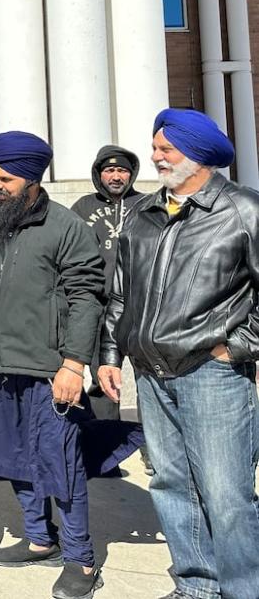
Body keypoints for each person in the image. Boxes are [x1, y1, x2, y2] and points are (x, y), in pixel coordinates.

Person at [98, 109, 259, 599]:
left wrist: (235, 347)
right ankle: (196, 584)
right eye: (156, 147)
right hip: (150, 374)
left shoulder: (244, 211)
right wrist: (110, 353)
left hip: (213, 375)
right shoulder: (143, 215)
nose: (155, 156)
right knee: (170, 484)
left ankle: (242, 589)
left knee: (226, 495)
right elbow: (120, 293)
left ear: (201, 155)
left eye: (166, 149)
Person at [0, 132, 107, 599]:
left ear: (31, 179)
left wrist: (74, 364)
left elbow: (88, 297)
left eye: (4, 177)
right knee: (11, 459)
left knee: (60, 466)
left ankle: (81, 560)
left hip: (50, 372)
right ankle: (38, 539)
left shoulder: (67, 227)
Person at [69, 146, 139, 425]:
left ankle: (153, 450)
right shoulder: (83, 208)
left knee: (151, 380)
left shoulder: (147, 205)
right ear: (99, 174)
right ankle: (106, 451)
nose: (116, 176)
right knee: (103, 378)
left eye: (122, 170)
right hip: (100, 307)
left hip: (139, 308)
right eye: (109, 170)